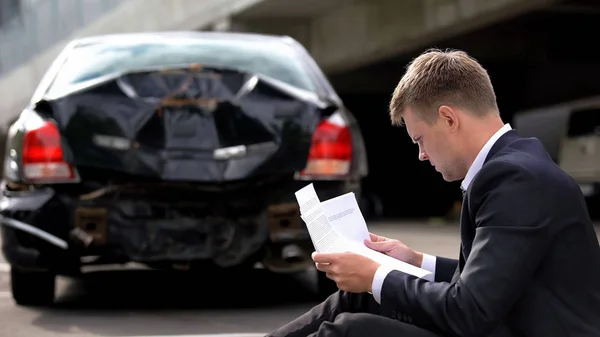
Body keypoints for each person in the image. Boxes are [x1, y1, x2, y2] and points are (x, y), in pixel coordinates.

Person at [265, 48, 600, 337]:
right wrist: (415, 261)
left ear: (448, 119)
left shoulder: (515, 179)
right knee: (361, 297)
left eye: (420, 139)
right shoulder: (516, 165)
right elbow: (497, 277)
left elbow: (469, 311)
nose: (422, 155)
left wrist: (375, 274)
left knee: (352, 329)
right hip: (507, 324)